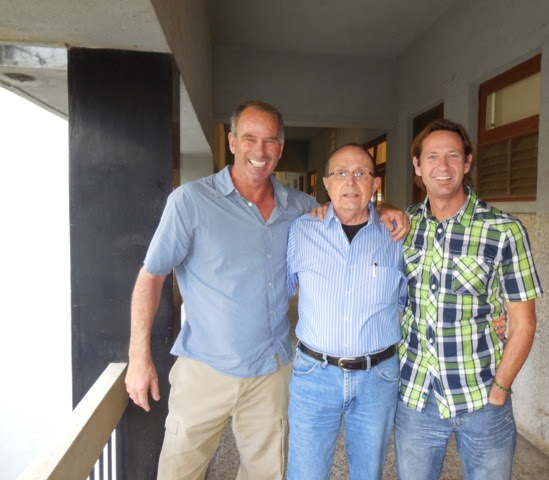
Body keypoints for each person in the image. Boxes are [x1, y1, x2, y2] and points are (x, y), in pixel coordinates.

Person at [124, 100, 409, 480]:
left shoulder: (301, 208)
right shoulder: (190, 201)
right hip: (205, 368)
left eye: (270, 140)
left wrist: (386, 209)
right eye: (249, 138)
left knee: (266, 474)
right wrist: (139, 357)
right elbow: (151, 276)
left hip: (270, 374)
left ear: (280, 148)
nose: (260, 150)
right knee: (179, 471)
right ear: (232, 142)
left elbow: (349, 204)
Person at [394, 119, 543, 480]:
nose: (442, 166)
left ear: (467, 162)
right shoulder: (404, 225)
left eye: (453, 156)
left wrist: (500, 389)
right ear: (417, 166)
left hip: (482, 398)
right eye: (432, 157)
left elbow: (523, 322)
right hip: (416, 397)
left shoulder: (503, 230)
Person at [286, 144, 406, 480]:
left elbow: (417, 300)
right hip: (314, 375)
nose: (350, 181)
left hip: (377, 378)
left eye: (360, 173)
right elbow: (278, 292)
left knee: (368, 473)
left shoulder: (397, 236)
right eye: (340, 173)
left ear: (375, 183)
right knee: (305, 473)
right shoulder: (301, 231)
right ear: (326, 184)